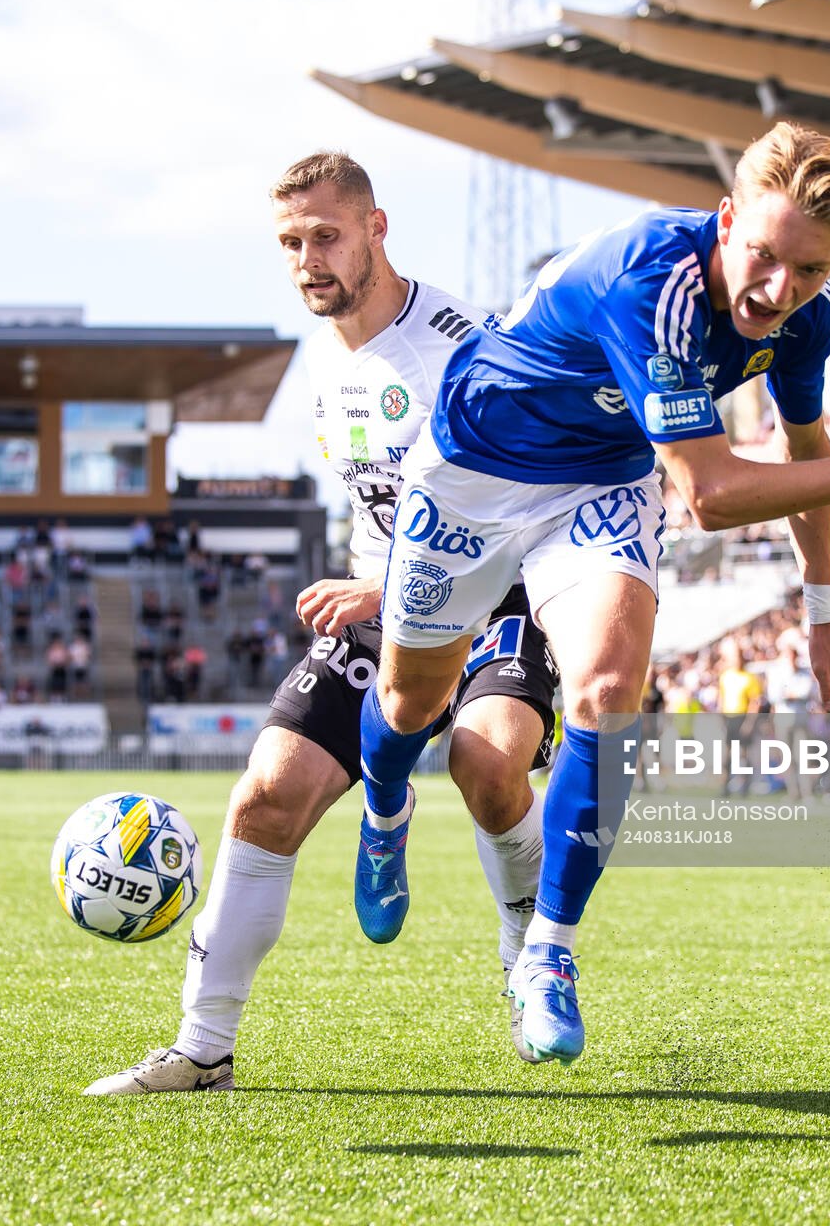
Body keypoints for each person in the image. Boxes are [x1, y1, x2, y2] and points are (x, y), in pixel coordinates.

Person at [357, 122, 830, 1066]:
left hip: (602, 488)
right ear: (725, 218)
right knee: (410, 702)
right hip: (472, 471)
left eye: (811, 272)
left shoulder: (802, 322)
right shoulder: (651, 278)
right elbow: (708, 494)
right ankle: (384, 811)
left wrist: (824, 611)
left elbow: (804, 453)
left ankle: (547, 953)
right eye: (763, 255)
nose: (778, 290)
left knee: (608, 691)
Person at [87, 151, 560, 1095]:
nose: (308, 258)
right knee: (264, 795)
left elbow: (518, 515)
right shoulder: (329, 367)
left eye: (326, 236)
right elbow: (380, 507)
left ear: (377, 229)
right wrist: (374, 589)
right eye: (291, 242)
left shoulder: (463, 353)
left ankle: (525, 944)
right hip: (383, 606)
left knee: (490, 768)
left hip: (498, 599)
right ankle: (202, 1049)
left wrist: (385, 592)